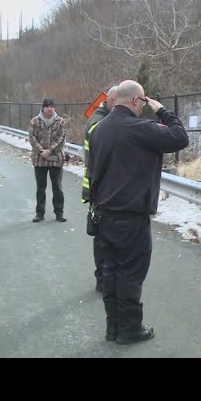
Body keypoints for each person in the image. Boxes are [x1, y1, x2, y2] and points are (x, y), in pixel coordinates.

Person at [87, 79, 189, 344]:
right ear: (135, 101)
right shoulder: (140, 128)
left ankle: (113, 327)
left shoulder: (98, 130)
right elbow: (180, 138)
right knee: (131, 273)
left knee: (110, 272)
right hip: (131, 216)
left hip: (105, 214)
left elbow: (93, 171)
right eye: (142, 102)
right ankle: (130, 328)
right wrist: (162, 110)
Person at [82, 85, 118, 292]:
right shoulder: (97, 120)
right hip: (98, 186)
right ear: (112, 101)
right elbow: (96, 133)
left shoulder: (103, 116)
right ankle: (102, 280)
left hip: (101, 184)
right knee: (101, 238)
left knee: (106, 236)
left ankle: (107, 277)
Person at [28, 98, 67, 223]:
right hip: (39, 160)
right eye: (47, 106)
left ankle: (59, 213)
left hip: (56, 159)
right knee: (41, 188)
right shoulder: (35, 121)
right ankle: (40, 213)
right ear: (43, 108)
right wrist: (41, 151)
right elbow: (32, 137)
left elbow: (61, 138)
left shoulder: (60, 122)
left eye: (52, 106)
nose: (50, 109)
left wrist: (49, 151)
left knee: (57, 187)